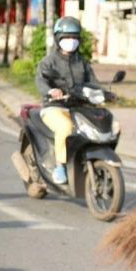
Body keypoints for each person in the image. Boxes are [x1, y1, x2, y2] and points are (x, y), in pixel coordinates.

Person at [34, 16, 99, 185]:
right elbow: (41, 81)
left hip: (79, 107)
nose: (71, 41)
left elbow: (92, 82)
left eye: (74, 38)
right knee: (64, 127)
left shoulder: (83, 63)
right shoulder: (49, 62)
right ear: (58, 39)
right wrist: (51, 91)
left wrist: (103, 93)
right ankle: (60, 166)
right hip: (54, 107)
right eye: (66, 37)